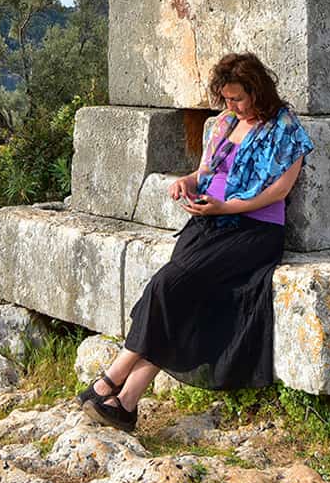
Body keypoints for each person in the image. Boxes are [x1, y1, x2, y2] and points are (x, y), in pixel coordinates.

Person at [79, 51, 312, 431]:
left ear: (257, 90)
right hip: (209, 223)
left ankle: (110, 379)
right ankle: (126, 402)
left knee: (166, 286)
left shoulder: (283, 127)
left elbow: (279, 191)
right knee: (178, 300)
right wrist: (188, 183)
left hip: (253, 231)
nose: (232, 106)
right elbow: (205, 171)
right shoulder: (223, 123)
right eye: (227, 99)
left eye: (238, 98)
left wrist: (227, 208)